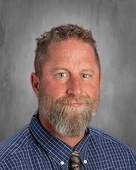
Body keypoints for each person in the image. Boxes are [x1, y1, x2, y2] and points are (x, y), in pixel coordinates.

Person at [0, 24, 136, 169]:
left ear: (99, 82)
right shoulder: (6, 164)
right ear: (36, 84)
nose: (76, 90)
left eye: (85, 75)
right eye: (62, 74)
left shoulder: (126, 160)